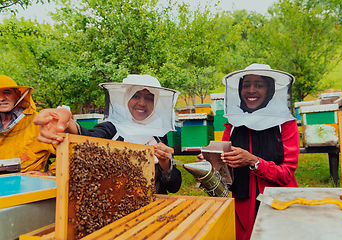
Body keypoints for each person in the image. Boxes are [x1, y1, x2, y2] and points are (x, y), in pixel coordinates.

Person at [198, 64, 299, 240]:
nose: (251, 90)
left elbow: (286, 173)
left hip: (277, 203)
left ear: (270, 89)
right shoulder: (233, 123)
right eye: (246, 85)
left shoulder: (285, 123)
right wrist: (210, 161)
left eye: (259, 85)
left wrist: (254, 162)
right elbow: (224, 167)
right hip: (241, 203)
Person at [34, 74, 182, 194]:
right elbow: (88, 138)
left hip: (154, 211)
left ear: (155, 104)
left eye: (149, 98)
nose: (142, 103)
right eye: (136, 96)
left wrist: (165, 163)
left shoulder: (158, 135)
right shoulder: (112, 129)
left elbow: (174, 187)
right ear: (126, 99)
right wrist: (66, 122)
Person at [0, 75, 56, 176]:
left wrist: (50, 173)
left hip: (30, 186)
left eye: (7, 92)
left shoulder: (39, 122)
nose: (1, 98)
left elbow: (72, 149)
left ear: (18, 95)